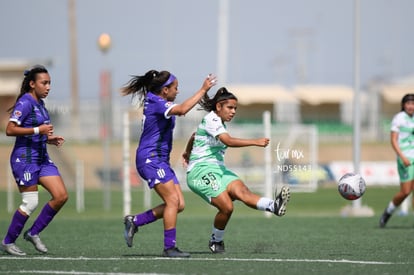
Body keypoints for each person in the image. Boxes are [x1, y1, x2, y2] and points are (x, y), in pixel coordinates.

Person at [182, 87, 290, 253]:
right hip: (200, 171)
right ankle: (215, 241)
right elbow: (228, 141)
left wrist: (187, 153)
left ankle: (273, 206)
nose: (233, 112)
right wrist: (255, 141)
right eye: (230, 108)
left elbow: (195, 136)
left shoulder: (219, 122)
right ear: (219, 107)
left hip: (218, 169)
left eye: (235, 109)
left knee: (243, 192)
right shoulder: (212, 119)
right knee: (227, 207)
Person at [121, 70, 216, 258]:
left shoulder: (160, 102)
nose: (177, 91)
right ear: (164, 90)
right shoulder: (156, 103)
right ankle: (169, 247)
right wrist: (203, 89)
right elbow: (182, 110)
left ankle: (135, 221)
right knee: (172, 201)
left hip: (161, 161)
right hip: (150, 159)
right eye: (175, 88)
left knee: (179, 204)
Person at [1, 65, 68, 256]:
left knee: (61, 196)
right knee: (30, 203)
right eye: (44, 83)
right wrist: (39, 131)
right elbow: (10, 129)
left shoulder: (40, 103)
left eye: (49, 83)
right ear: (32, 84)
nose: (48, 87)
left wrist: (49, 139)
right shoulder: (26, 102)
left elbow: (37, 132)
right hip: (25, 159)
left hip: (42, 158)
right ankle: (8, 241)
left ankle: (33, 232)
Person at [379, 93, 414, 228]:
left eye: (413, 104)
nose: (411, 106)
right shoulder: (399, 118)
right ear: (403, 105)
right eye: (408, 104)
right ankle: (388, 212)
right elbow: (393, 140)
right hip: (405, 158)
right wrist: (402, 157)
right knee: (405, 192)